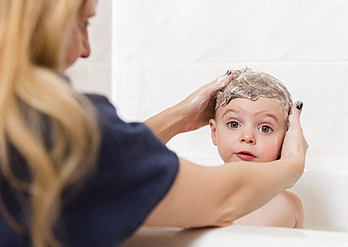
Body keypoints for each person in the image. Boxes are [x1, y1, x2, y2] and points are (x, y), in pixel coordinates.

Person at [0, 1, 308, 247]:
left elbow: (102, 165)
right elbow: (224, 200)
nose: (87, 49)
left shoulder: (23, 120)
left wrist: (178, 118)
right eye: (83, 23)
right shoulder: (61, 124)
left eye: (265, 128)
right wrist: (293, 163)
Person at [209, 68, 304, 228]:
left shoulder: (288, 206)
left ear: (286, 140)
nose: (247, 137)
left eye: (265, 128)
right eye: (234, 124)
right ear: (214, 132)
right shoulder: (197, 194)